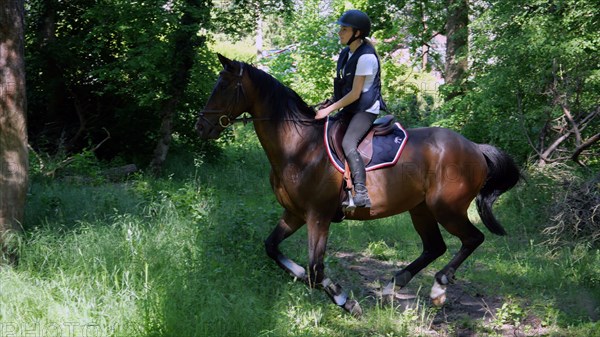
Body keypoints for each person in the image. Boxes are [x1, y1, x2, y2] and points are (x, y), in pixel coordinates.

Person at [315, 9, 386, 208]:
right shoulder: (347, 53)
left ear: (357, 33)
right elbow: (345, 88)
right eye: (341, 29)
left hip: (365, 109)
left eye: (344, 29)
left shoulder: (366, 58)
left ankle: (361, 192)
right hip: (350, 107)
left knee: (348, 143)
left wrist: (328, 111)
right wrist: (330, 101)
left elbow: (355, 94)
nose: (340, 33)